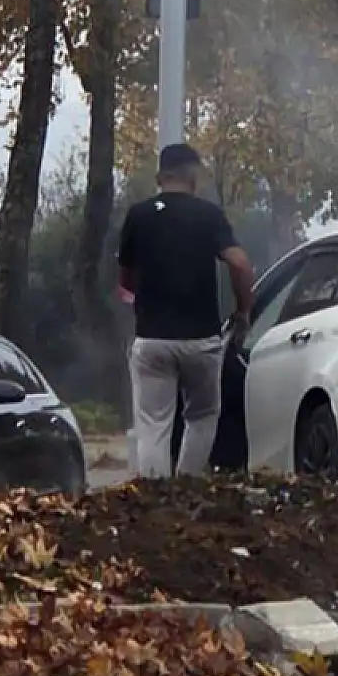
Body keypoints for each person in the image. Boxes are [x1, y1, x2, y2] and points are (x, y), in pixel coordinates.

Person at [117, 143, 255, 478]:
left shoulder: (139, 215)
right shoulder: (208, 215)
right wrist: (243, 311)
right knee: (203, 416)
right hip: (201, 340)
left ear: (160, 177)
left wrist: (140, 297)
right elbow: (239, 263)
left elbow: (126, 279)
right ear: (193, 174)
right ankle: (186, 487)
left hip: (152, 340)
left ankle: (155, 499)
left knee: (153, 423)